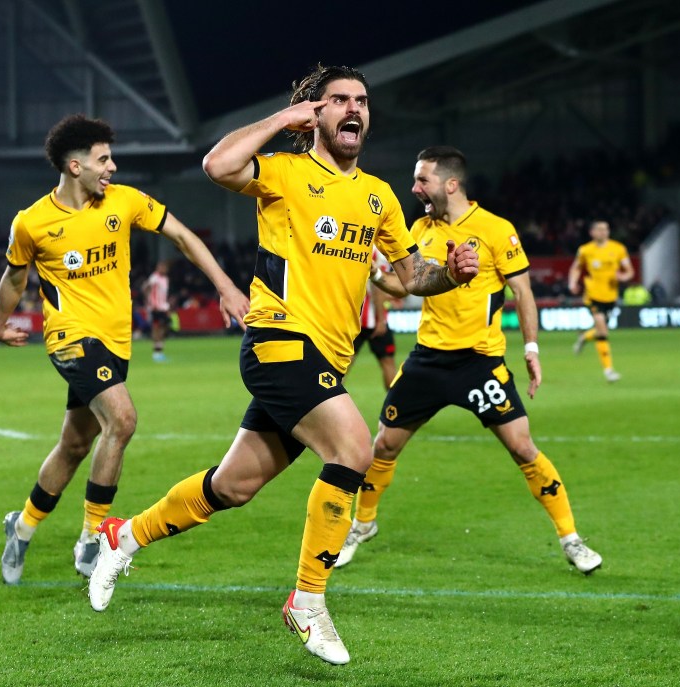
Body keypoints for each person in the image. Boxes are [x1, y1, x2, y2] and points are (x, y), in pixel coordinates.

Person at [87, 65, 478, 666]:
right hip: (280, 342)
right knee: (353, 450)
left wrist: (449, 271)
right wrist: (280, 120)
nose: (354, 109)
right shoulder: (286, 173)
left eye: (362, 101)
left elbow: (405, 279)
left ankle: (124, 535)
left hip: (329, 357)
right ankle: (308, 599)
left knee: (232, 486)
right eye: (338, 100)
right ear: (316, 114)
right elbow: (217, 166)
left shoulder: (377, 197)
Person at [0, 114, 249, 585]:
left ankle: (22, 526)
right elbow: (14, 277)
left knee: (74, 445)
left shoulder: (125, 202)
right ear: (74, 166)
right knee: (123, 420)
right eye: (103, 158)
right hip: (69, 338)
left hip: (115, 342)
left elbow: (184, 237)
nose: (112, 166)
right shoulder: (32, 223)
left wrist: (226, 287)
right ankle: (93, 539)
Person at [334, 146, 602, 577]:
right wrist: (373, 274)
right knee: (382, 445)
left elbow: (523, 294)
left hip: (480, 363)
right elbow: (408, 286)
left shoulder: (496, 230)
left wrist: (531, 349)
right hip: (427, 361)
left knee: (522, 447)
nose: (415, 187)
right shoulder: (419, 228)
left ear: (450, 184)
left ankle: (571, 538)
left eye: (423, 180)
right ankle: (362, 525)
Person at [568, 220, 634, 382]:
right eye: (599, 229)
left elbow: (630, 271)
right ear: (592, 233)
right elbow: (576, 267)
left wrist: (623, 276)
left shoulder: (618, 249)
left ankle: (584, 337)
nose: (603, 232)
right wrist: (572, 283)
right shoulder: (585, 250)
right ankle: (608, 370)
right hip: (593, 296)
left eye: (606, 229)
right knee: (603, 331)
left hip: (610, 297)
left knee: (600, 330)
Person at [348, 249, 398, 390]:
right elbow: (378, 287)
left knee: (343, 365)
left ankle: (330, 403)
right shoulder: (377, 253)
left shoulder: (358, 245)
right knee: (387, 363)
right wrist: (381, 320)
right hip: (374, 319)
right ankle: (394, 405)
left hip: (354, 318)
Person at [142, 259, 171, 361]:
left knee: (164, 328)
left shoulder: (165, 279)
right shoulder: (154, 277)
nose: (164, 269)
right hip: (156, 308)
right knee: (157, 328)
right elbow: (145, 288)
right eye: (162, 267)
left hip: (163, 307)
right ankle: (156, 353)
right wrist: (149, 302)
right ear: (158, 268)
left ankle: (160, 350)